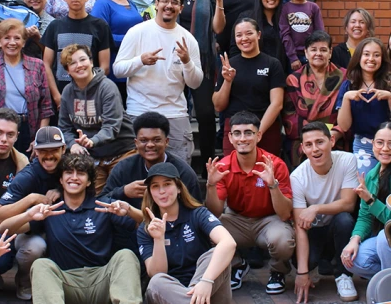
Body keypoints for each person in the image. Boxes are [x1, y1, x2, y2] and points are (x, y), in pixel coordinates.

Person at [0, 153, 143, 304]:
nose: (74, 177)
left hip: (101, 280)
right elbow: (4, 229)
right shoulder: (51, 210)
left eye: (80, 173)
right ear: (61, 179)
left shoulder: (104, 206)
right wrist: (29, 215)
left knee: (126, 256)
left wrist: (130, 211)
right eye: (68, 172)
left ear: (88, 181)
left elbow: (147, 224)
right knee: (41, 265)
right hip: (65, 283)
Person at [205, 111, 295, 295]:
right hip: (237, 219)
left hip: (269, 220)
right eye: (237, 133)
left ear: (258, 135)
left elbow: (285, 214)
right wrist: (211, 185)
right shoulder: (223, 166)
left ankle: (278, 272)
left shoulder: (275, 165)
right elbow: (214, 212)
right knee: (206, 228)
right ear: (230, 137)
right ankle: (237, 265)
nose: (242, 138)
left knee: (283, 241)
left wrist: (272, 185)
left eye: (248, 133)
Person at [114, 0, 203, 164]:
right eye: (165, 1)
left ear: (181, 8)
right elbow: (118, 70)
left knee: (179, 172)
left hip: (174, 114)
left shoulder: (188, 39)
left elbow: (195, 83)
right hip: (139, 111)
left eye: (174, 2)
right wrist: (140, 60)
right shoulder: (137, 32)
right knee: (138, 173)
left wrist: (186, 61)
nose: (169, 6)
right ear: (156, 4)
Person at [138, 163, 236, 304]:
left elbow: (228, 243)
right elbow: (156, 273)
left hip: (206, 290)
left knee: (217, 253)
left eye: (167, 184)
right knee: (157, 281)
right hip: (171, 295)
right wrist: (158, 239)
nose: (162, 191)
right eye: (155, 186)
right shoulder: (146, 228)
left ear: (178, 188)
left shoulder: (197, 214)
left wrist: (206, 281)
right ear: (150, 193)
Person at [0, 126, 66, 300]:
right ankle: (25, 280)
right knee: (34, 247)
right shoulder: (28, 175)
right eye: (43, 151)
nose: (48, 156)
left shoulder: (70, 167)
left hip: (61, 225)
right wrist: (31, 199)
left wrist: (60, 191)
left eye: (54, 150)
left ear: (63, 149)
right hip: (29, 228)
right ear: (35, 151)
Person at [291, 122, 359, 303]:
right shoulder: (297, 177)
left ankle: (343, 275)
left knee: (344, 220)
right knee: (303, 262)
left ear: (332, 141)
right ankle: (321, 262)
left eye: (320, 142)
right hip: (314, 230)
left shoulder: (347, 160)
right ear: (303, 149)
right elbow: (300, 226)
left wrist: (315, 207)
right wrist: (302, 272)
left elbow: (349, 204)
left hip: (338, 225)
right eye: (309, 145)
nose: (315, 149)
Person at [58, 44, 136, 194]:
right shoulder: (67, 92)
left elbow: (112, 126)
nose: (79, 65)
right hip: (93, 157)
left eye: (82, 60)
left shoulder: (107, 87)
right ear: (67, 71)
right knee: (95, 202)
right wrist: (72, 145)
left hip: (122, 151)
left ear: (91, 62)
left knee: (121, 197)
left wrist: (92, 141)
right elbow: (64, 127)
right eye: (72, 63)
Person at [175, 0, 225, 171]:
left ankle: (208, 164)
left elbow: (217, 28)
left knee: (205, 114)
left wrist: (220, 2)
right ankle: (176, 163)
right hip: (173, 60)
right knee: (176, 112)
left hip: (201, 60)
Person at [0, 19, 53, 157]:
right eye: (7, 38)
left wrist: (39, 139)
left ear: (24, 42)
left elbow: (46, 107)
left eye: (17, 38)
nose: (12, 43)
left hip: (29, 129)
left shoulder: (38, 66)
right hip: (1, 130)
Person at [100, 111, 203, 210]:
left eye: (156, 140)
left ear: (166, 142)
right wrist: (123, 191)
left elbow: (196, 210)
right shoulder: (123, 168)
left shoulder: (183, 172)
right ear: (136, 143)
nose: (150, 145)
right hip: (130, 225)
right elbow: (101, 201)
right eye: (143, 140)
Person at [213, 18, 285, 156]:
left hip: (265, 128)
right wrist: (228, 81)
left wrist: (257, 133)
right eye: (239, 35)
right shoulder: (228, 65)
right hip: (235, 131)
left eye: (249, 33)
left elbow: (277, 104)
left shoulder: (272, 64)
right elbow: (218, 106)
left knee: (267, 174)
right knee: (233, 175)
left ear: (258, 35)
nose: (244, 38)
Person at [42, 0, 113, 108]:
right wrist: (57, 96)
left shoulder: (100, 26)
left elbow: (105, 67)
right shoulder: (54, 26)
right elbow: (46, 64)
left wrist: (90, 92)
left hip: (91, 97)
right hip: (61, 95)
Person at [283, 31, 347, 167]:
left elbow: (349, 113)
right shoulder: (294, 79)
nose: (318, 53)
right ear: (306, 53)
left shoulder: (344, 77)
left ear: (330, 53)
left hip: (335, 140)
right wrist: (315, 138)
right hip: (304, 143)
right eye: (313, 50)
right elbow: (290, 117)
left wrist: (332, 135)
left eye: (323, 50)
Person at [341, 122, 391, 278]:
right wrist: (354, 239)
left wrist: (370, 200)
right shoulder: (370, 176)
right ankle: (385, 279)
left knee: (384, 237)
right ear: (373, 144)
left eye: (390, 143)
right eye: (380, 143)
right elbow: (365, 216)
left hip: (386, 238)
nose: (385, 149)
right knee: (354, 260)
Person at [336, 37, 391, 176]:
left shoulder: (389, 82)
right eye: (366, 54)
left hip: (389, 142)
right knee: (365, 184)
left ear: (382, 58)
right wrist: (347, 98)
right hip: (363, 143)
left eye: (376, 55)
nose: (371, 58)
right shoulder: (348, 85)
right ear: (358, 57)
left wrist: (390, 97)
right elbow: (344, 126)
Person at [90, 0, 143, 102]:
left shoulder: (130, 2)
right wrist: (130, 40)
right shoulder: (102, 4)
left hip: (134, 69)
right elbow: (99, 37)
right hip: (114, 70)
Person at [228, 0, 288, 72]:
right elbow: (235, 48)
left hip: (280, 73)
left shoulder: (285, 18)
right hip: (252, 72)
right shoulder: (247, 17)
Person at [280, 0, 325, 71]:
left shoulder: (313, 7)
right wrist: (293, 57)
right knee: (295, 83)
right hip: (293, 56)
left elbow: (319, 32)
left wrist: (315, 52)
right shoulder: (285, 8)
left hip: (311, 54)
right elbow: (285, 34)